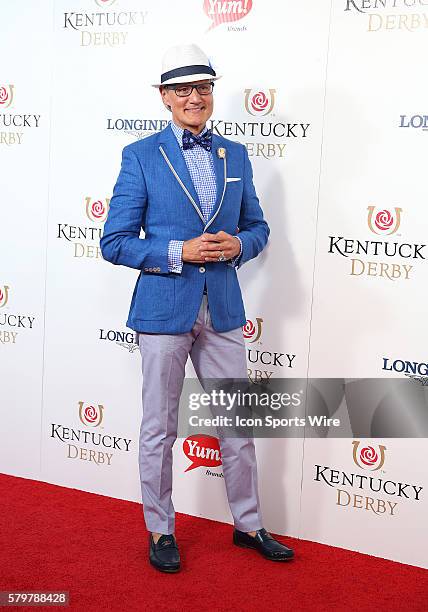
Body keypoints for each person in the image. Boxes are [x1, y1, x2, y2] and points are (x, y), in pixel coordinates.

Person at [100, 43, 294, 573]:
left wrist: (240, 246)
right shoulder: (140, 156)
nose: (194, 97)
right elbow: (114, 241)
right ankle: (161, 530)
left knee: (237, 422)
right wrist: (175, 252)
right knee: (160, 426)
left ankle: (248, 524)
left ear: (213, 93)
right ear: (164, 97)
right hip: (165, 308)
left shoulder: (236, 154)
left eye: (203, 87)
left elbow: (258, 227)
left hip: (225, 309)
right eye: (182, 89)